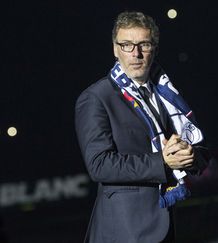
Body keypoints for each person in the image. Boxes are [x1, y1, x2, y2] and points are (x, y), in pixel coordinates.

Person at [75, 11, 210, 243]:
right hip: (123, 232)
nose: (135, 54)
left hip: (167, 225)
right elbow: (99, 165)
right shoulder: (96, 98)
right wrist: (163, 162)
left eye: (143, 45)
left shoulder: (167, 94)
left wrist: (190, 154)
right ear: (115, 49)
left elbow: (201, 153)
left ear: (154, 49)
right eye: (126, 45)